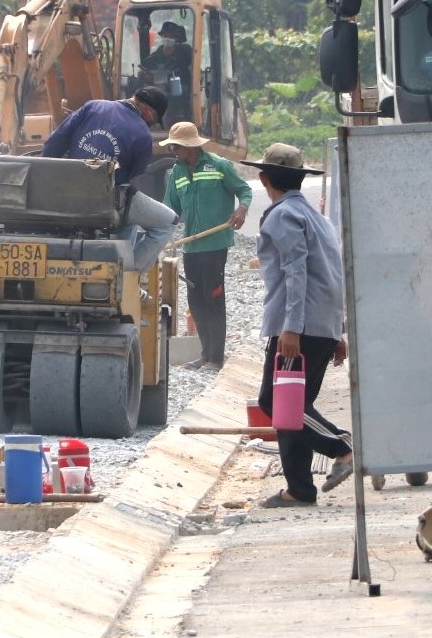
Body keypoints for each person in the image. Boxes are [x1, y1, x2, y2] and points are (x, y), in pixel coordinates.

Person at [245, 143, 353, 506]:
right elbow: (333, 275)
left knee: (277, 403)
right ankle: (299, 488)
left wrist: (291, 328)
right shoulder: (317, 218)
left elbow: (296, 272)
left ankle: (343, 446)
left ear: (264, 179)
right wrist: (337, 330)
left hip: (299, 327)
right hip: (319, 325)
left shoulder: (281, 216)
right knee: (293, 405)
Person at [42, 86, 177, 271]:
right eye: (153, 120)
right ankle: (128, 276)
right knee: (167, 222)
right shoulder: (143, 136)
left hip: (65, 195)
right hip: (104, 201)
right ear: (148, 111)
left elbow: (53, 144)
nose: (151, 124)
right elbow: (131, 175)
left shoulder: (93, 106)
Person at [161, 122, 251, 370]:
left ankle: (216, 358)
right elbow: (170, 209)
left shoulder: (219, 165)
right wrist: (162, 233)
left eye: (176, 146)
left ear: (189, 147)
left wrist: (241, 210)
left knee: (213, 299)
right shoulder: (176, 173)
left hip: (214, 245)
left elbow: (244, 190)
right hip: (191, 247)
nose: (173, 150)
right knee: (196, 301)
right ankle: (204, 354)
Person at [141, 21, 194, 122]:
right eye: (165, 35)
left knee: (181, 91)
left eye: (171, 36)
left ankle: (182, 118)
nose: (167, 38)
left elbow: (195, 66)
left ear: (176, 38)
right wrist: (144, 74)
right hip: (161, 86)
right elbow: (146, 66)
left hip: (180, 86)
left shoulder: (185, 51)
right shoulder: (158, 52)